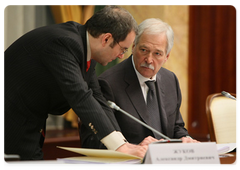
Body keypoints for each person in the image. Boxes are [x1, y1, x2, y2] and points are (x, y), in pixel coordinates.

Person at [2, 6, 148, 160]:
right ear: (106, 38)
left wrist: (122, 143)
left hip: (29, 119)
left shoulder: (85, 49)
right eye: (123, 49)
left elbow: (98, 99)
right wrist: (120, 148)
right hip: (9, 117)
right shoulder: (64, 43)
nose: (120, 56)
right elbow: (80, 96)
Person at [82, 18, 199, 147]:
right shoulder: (108, 83)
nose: (149, 60)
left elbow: (176, 127)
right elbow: (92, 141)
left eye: (157, 54)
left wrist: (185, 138)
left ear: (166, 57)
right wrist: (134, 148)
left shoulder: (170, 80)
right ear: (133, 47)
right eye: (144, 50)